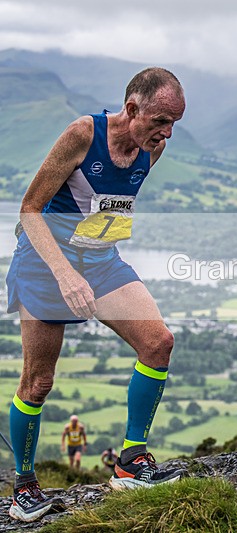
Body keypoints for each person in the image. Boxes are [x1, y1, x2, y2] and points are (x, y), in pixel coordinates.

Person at [5, 67, 186, 522]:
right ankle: (23, 487)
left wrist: (92, 259)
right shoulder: (83, 134)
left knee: (158, 342)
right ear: (131, 109)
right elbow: (30, 210)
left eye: (173, 124)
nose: (166, 133)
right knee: (39, 381)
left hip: (101, 259)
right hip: (46, 263)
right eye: (160, 121)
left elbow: (107, 206)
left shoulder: (153, 148)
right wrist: (65, 274)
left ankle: (131, 463)